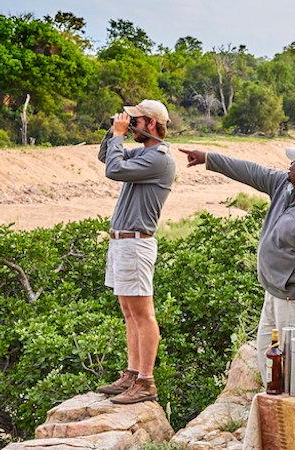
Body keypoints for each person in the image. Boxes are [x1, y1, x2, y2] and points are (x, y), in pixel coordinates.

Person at [179, 146, 295, 381]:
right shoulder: (285, 186)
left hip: (294, 303)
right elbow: (250, 171)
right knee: (268, 361)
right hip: (273, 295)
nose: (290, 165)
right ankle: (272, 411)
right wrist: (209, 158)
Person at [94, 99, 176, 405]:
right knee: (129, 313)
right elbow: (106, 156)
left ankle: (146, 381)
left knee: (143, 314)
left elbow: (114, 170)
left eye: (136, 120)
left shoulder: (159, 159)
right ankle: (131, 374)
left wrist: (119, 135)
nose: (131, 125)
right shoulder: (143, 153)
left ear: (152, 124)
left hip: (136, 243)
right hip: (123, 242)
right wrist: (115, 130)